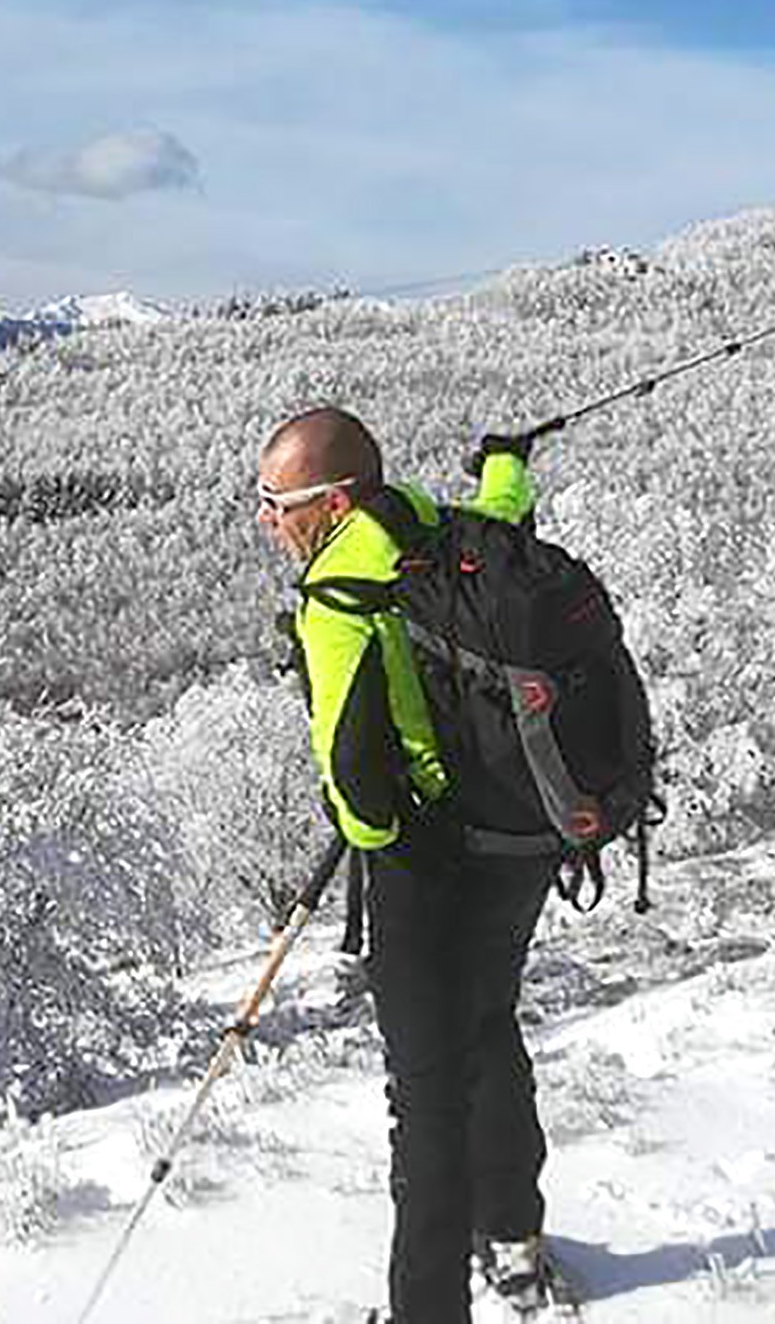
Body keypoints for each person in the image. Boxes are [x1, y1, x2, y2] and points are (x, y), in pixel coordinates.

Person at [257, 409, 569, 1324]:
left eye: (279, 502)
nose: (267, 519)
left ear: (337, 500)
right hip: (520, 832)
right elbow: (506, 513)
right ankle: (513, 1239)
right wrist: (508, 464)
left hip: (426, 865)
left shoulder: (336, 598)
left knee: (426, 1099)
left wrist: (369, 834)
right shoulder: (442, 526)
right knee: (489, 1026)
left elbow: (354, 770)